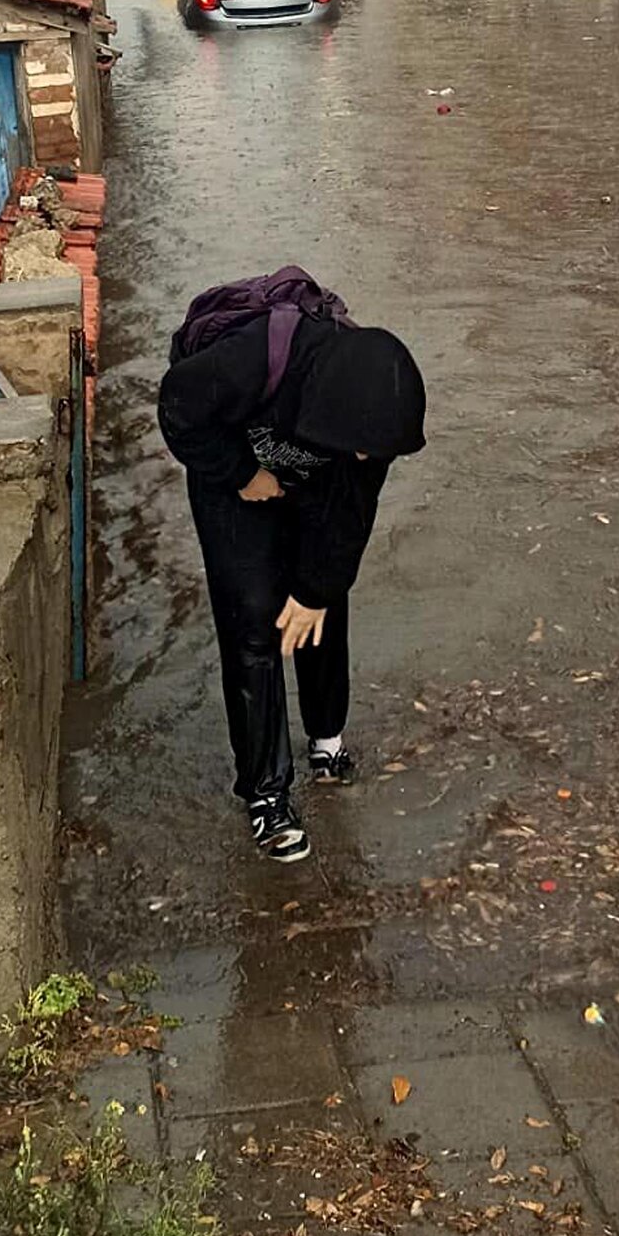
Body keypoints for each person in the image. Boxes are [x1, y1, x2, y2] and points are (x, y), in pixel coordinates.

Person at [158, 290, 426, 862]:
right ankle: (265, 793)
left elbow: (351, 520)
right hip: (231, 467)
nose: (368, 460)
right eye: (362, 449)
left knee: (320, 597)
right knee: (253, 616)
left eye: (374, 453)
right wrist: (242, 473)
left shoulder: (371, 424)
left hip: (309, 473)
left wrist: (315, 590)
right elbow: (178, 409)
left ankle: (326, 737)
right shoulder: (253, 361)